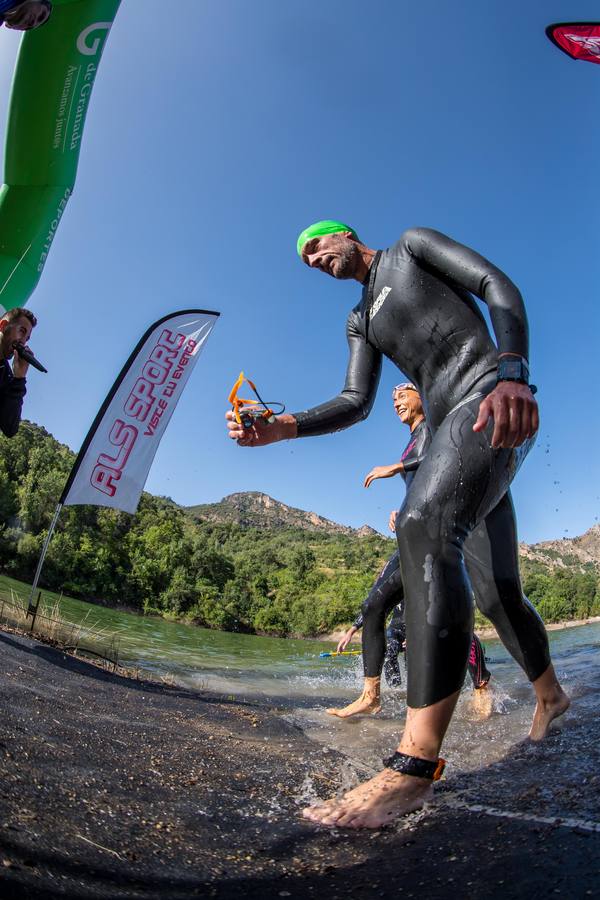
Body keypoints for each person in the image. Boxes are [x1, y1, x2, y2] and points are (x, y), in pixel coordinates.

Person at [226, 220, 569, 829]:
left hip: (490, 398)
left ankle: (414, 766)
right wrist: (284, 427)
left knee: (422, 522)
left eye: (316, 246)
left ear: (347, 234)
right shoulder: (360, 320)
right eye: (304, 260)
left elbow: (496, 283)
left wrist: (513, 372)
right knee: (496, 592)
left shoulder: (411, 247)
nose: (312, 260)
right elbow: (356, 400)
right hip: (450, 435)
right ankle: (551, 695)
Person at [327, 384, 490, 720]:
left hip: (439, 534)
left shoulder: (433, 426)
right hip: (414, 535)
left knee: (451, 617)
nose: (396, 401)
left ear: (423, 397)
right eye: (393, 398)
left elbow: (438, 461)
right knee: (373, 606)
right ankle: (371, 695)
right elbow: (421, 488)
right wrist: (401, 513)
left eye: (403, 394)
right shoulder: (412, 440)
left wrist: (395, 467)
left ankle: (481, 685)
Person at [0, 307, 37, 438]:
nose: (23, 342)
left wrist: (19, 378)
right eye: (21, 331)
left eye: (27, 338)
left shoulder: (6, 377)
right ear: (3, 326)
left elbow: (9, 428)